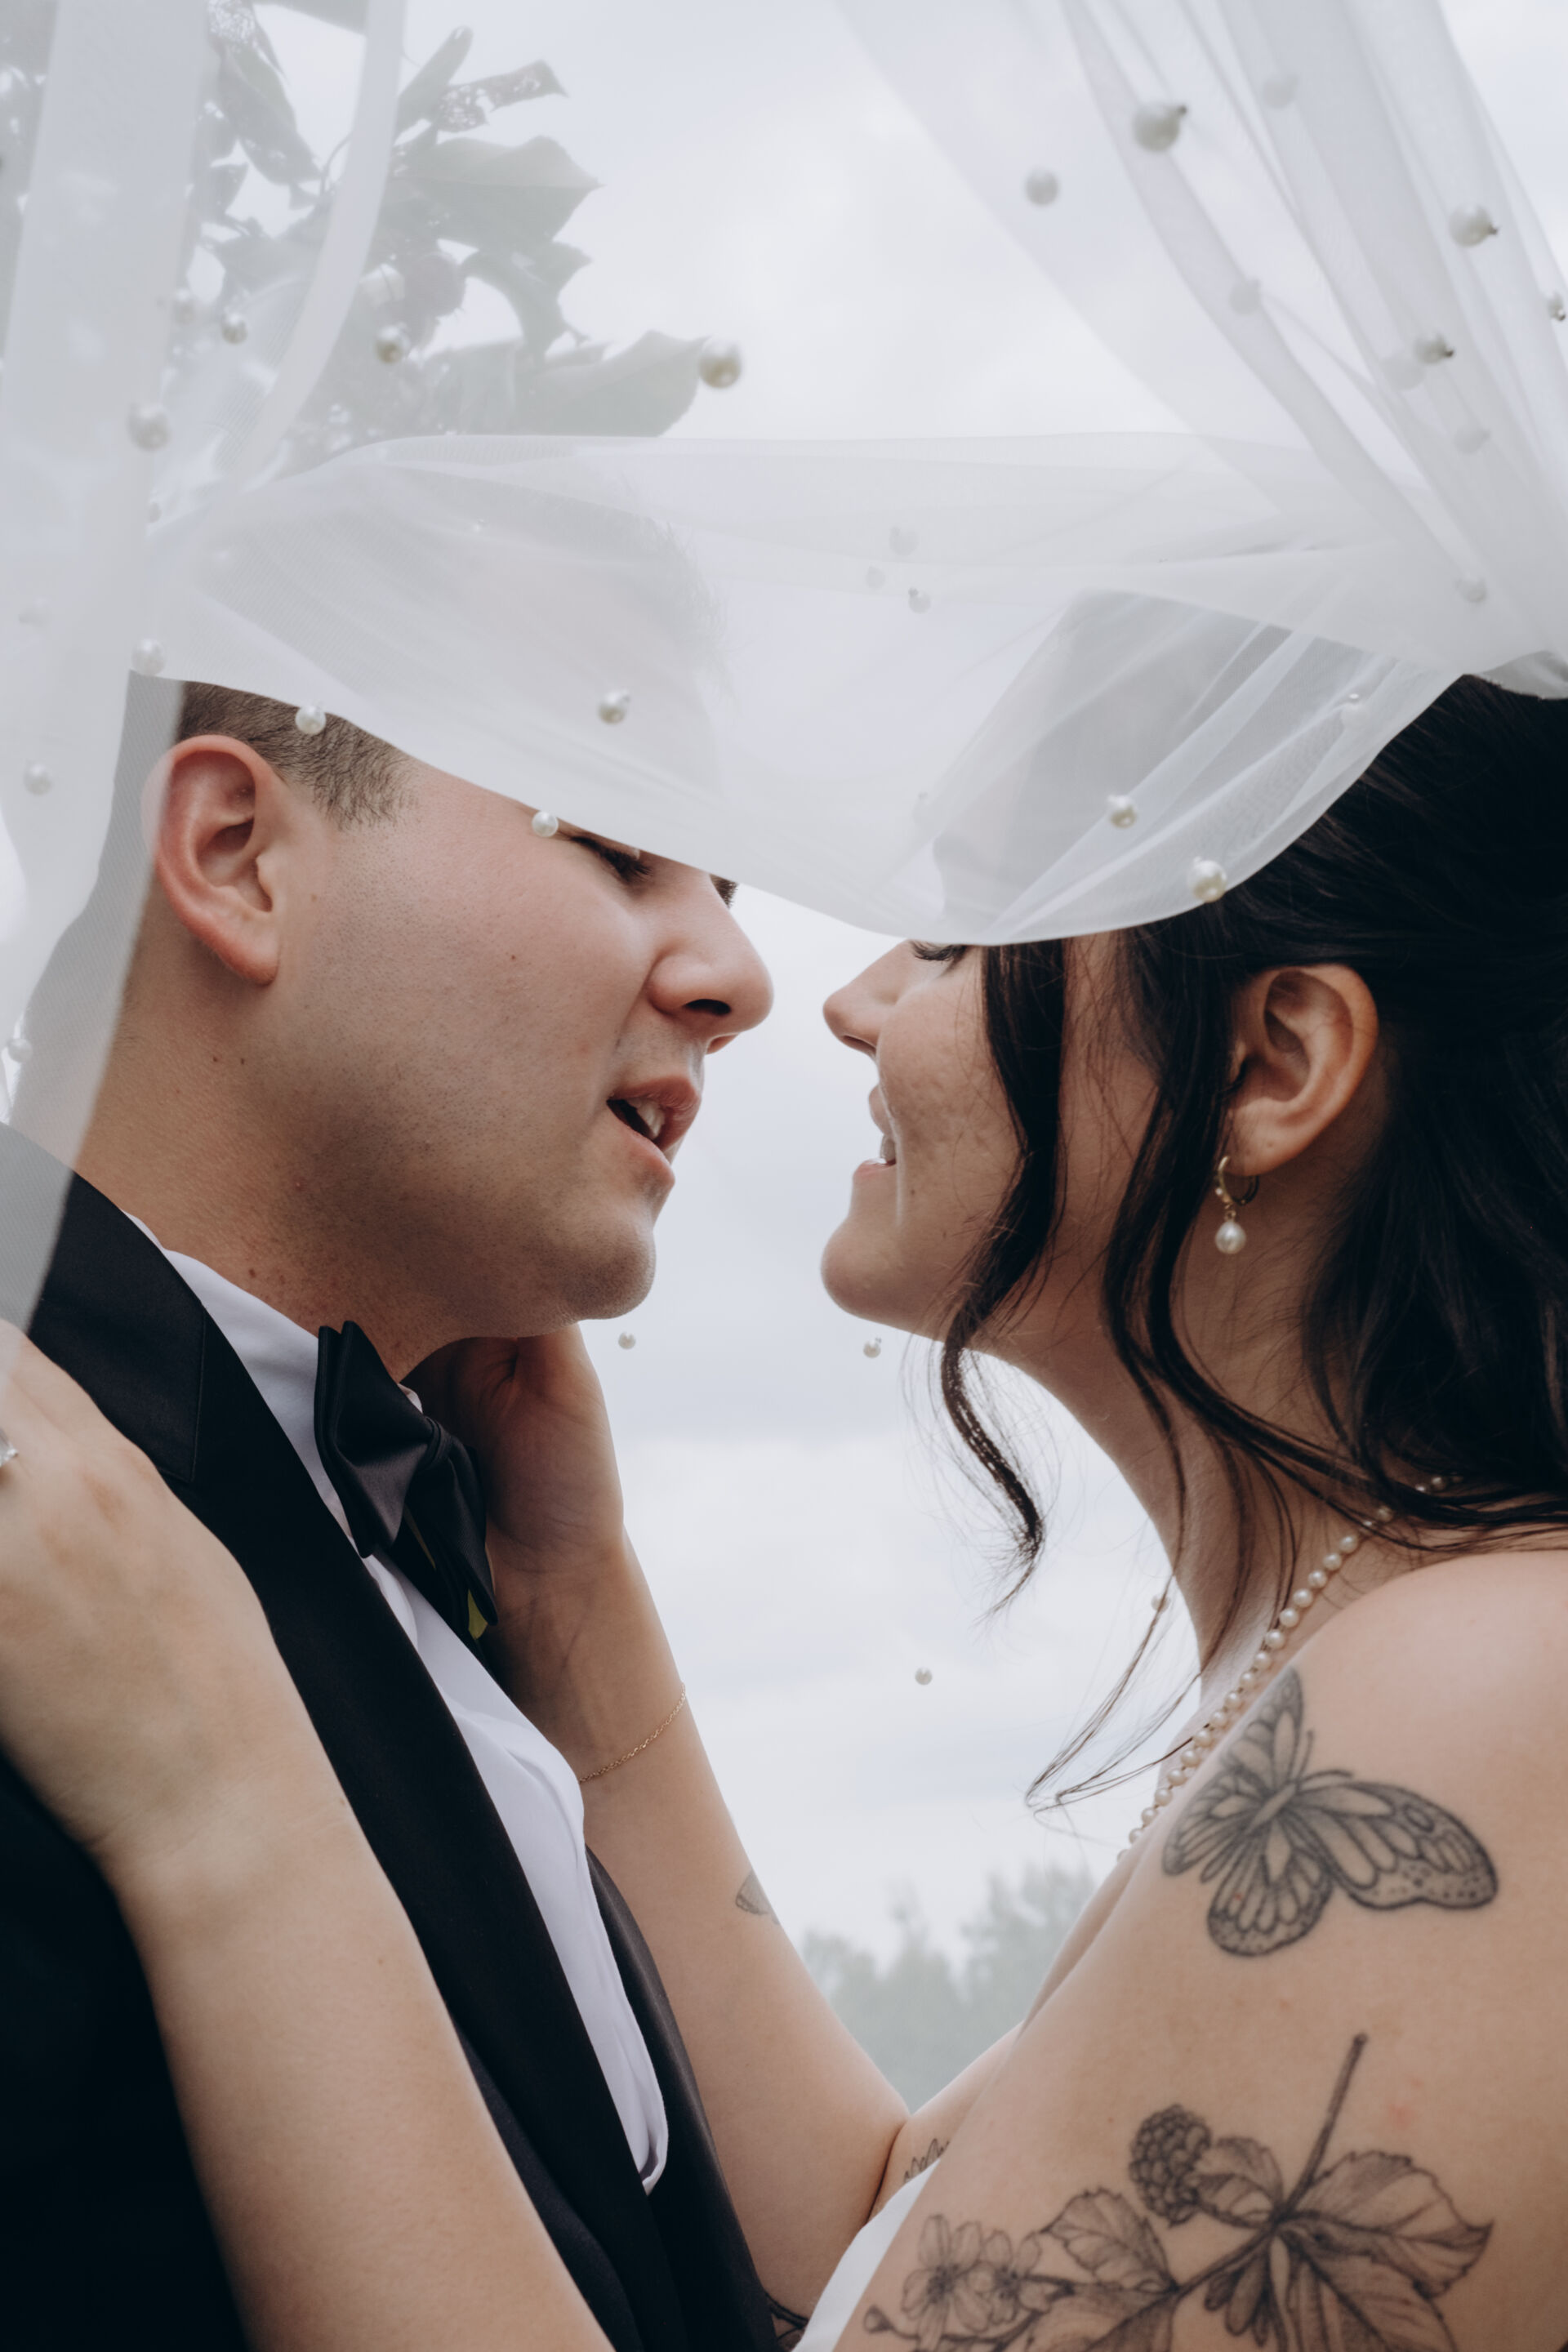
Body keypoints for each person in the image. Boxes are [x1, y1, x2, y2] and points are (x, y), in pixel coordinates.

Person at [4, 669, 1568, 2350]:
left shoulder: (1479, 1689)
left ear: (1271, 1064)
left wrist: (227, 1804)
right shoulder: (1399, 1656)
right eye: (616, 846)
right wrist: (577, 1611)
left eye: (957, 938)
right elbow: (889, 2254)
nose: (822, 995)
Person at [0, 675, 887, 2352]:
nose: (742, 977)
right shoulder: (44, 1537)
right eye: (618, 844)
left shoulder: (458, 1544)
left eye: (724, 887)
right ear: (238, 854)